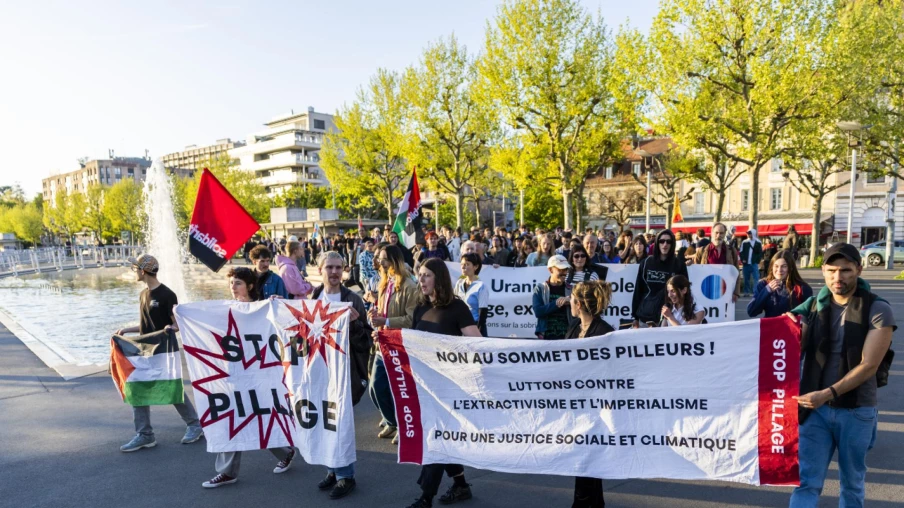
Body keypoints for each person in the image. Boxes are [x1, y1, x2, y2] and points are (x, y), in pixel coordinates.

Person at [787, 243, 894, 507]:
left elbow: (868, 365)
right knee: (805, 482)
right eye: (832, 270)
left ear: (859, 269)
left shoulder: (878, 309)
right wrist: (788, 328)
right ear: (823, 270)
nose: (838, 277)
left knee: (852, 484)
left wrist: (827, 394)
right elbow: (790, 349)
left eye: (845, 270)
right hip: (814, 410)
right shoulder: (811, 307)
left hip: (856, 410)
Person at [398, 258, 481, 508]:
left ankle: (426, 497)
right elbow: (413, 342)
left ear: (439, 279)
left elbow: (477, 344)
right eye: (420, 275)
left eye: (427, 275)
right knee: (441, 437)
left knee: (436, 438)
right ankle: (461, 485)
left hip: (449, 386)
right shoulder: (421, 308)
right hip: (425, 385)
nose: (421, 280)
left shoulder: (457, 308)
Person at [202, 266, 295, 488]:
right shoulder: (227, 309)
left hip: (260, 373)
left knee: (261, 415)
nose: (233, 287)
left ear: (250, 286)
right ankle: (227, 472)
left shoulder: (263, 308)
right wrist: (183, 314)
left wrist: (278, 305)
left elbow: (285, 326)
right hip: (234, 372)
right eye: (231, 283)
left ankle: (285, 451)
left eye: (238, 283)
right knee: (232, 417)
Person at [115, 254, 203, 453]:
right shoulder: (143, 294)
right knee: (138, 388)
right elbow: (146, 325)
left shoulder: (167, 295)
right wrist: (127, 330)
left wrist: (170, 328)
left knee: (170, 387)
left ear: (143, 271)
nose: (134, 271)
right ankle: (145, 434)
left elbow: (177, 324)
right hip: (145, 349)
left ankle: (194, 424)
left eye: (135, 268)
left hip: (163, 350)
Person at [310, 252, 374, 499]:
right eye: (329, 267)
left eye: (338, 267)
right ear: (320, 270)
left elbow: (366, 341)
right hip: (320, 371)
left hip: (345, 371)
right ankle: (333, 469)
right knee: (325, 422)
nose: (334, 272)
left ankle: (346, 475)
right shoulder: (313, 297)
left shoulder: (353, 299)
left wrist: (356, 324)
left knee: (340, 423)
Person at [565, 280, 615, 507]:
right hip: (577, 403)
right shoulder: (574, 327)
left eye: (571, 300)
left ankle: (582, 503)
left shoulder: (604, 332)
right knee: (584, 459)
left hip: (596, 406)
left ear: (579, 303)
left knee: (587, 459)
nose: (569, 303)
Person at [366, 244, 418, 445]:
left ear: (395, 260)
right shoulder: (384, 283)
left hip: (399, 345)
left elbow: (411, 319)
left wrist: (386, 321)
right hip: (382, 342)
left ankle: (402, 426)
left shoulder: (409, 286)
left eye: (385, 259)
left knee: (399, 390)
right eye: (380, 258)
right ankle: (391, 421)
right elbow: (382, 312)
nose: (381, 262)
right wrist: (375, 316)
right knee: (375, 387)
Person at [632, 229, 688, 327]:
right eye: (662, 241)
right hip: (646, 316)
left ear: (672, 244)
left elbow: (685, 292)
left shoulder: (679, 265)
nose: (665, 244)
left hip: (670, 317)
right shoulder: (646, 263)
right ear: (657, 243)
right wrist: (635, 317)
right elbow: (638, 290)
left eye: (668, 241)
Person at [747, 250, 813, 318]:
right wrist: (766, 291)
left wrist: (795, 314)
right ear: (771, 267)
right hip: (770, 324)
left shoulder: (802, 288)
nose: (779, 270)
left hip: (792, 324)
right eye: (776, 266)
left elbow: (810, 315)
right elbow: (751, 312)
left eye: (784, 266)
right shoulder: (764, 284)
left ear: (791, 268)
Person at [693, 223, 741, 303]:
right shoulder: (702, 251)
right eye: (716, 233)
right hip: (706, 291)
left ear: (725, 234)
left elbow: (736, 272)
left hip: (726, 292)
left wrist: (736, 292)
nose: (718, 235)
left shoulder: (731, 251)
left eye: (721, 233)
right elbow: (696, 273)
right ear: (712, 233)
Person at [532, 255, 572, 340]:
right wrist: (557, 303)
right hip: (546, 337)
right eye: (560, 269)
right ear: (550, 270)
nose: (564, 273)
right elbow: (538, 312)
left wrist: (572, 302)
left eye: (566, 269)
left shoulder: (572, 289)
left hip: (568, 337)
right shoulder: (540, 288)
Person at [455, 253, 490, 336]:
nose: (463, 267)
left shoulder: (481, 286)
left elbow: (483, 313)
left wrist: (477, 332)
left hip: (475, 325)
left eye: (467, 264)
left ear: (476, 266)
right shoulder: (459, 283)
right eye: (462, 264)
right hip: (460, 326)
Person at [739, 229, 763, 297]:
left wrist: (757, 260)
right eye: (748, 233)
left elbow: (760, 253)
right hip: (746, 264)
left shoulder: (758, 242)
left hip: (754, 263)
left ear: (753, 234)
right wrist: (743, 259)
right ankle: (746, 292)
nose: (748, 235)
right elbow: (741, 252)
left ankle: (755, 292)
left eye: (750, 233)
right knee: (746, 279)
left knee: (756, 278)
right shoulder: (744, 242)